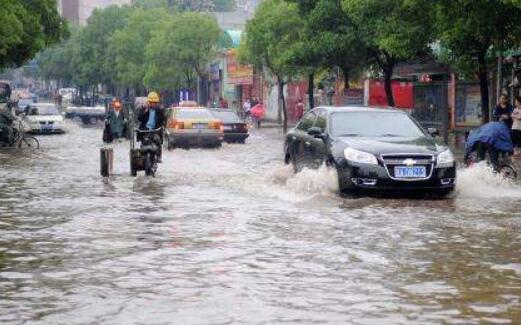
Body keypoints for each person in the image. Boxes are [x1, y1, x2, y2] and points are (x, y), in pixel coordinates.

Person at [137, 91, 166, 161]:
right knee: (143, 141)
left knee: (157, 140)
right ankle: (142, 155)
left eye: (154, 103)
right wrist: (145, 112)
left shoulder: (160, 110)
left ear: (157, 103)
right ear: (148, 102)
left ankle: (158, 156)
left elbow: (164, 120)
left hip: (155, 130)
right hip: (145, 130)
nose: (152, 104)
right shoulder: (143, 109)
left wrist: (163, 126)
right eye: (151, 102)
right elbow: (139, 119)